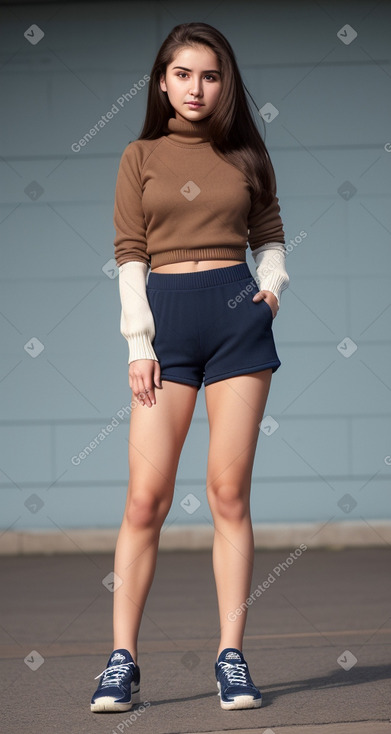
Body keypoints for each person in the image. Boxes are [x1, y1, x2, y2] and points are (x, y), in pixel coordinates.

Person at [91, 21, 289, 714]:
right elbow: (128, 254)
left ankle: (230, 657)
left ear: (224, 82)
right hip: (165, 329)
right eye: (182, 74)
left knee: (227, 494)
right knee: (145, 498)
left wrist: (267, 295)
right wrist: (138, 344)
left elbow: (269, 238)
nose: (196, 88)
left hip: (236, 323)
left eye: (209, 75)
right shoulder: (138, 155)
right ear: (162, 82)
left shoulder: (245, 154)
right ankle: (122, 662)